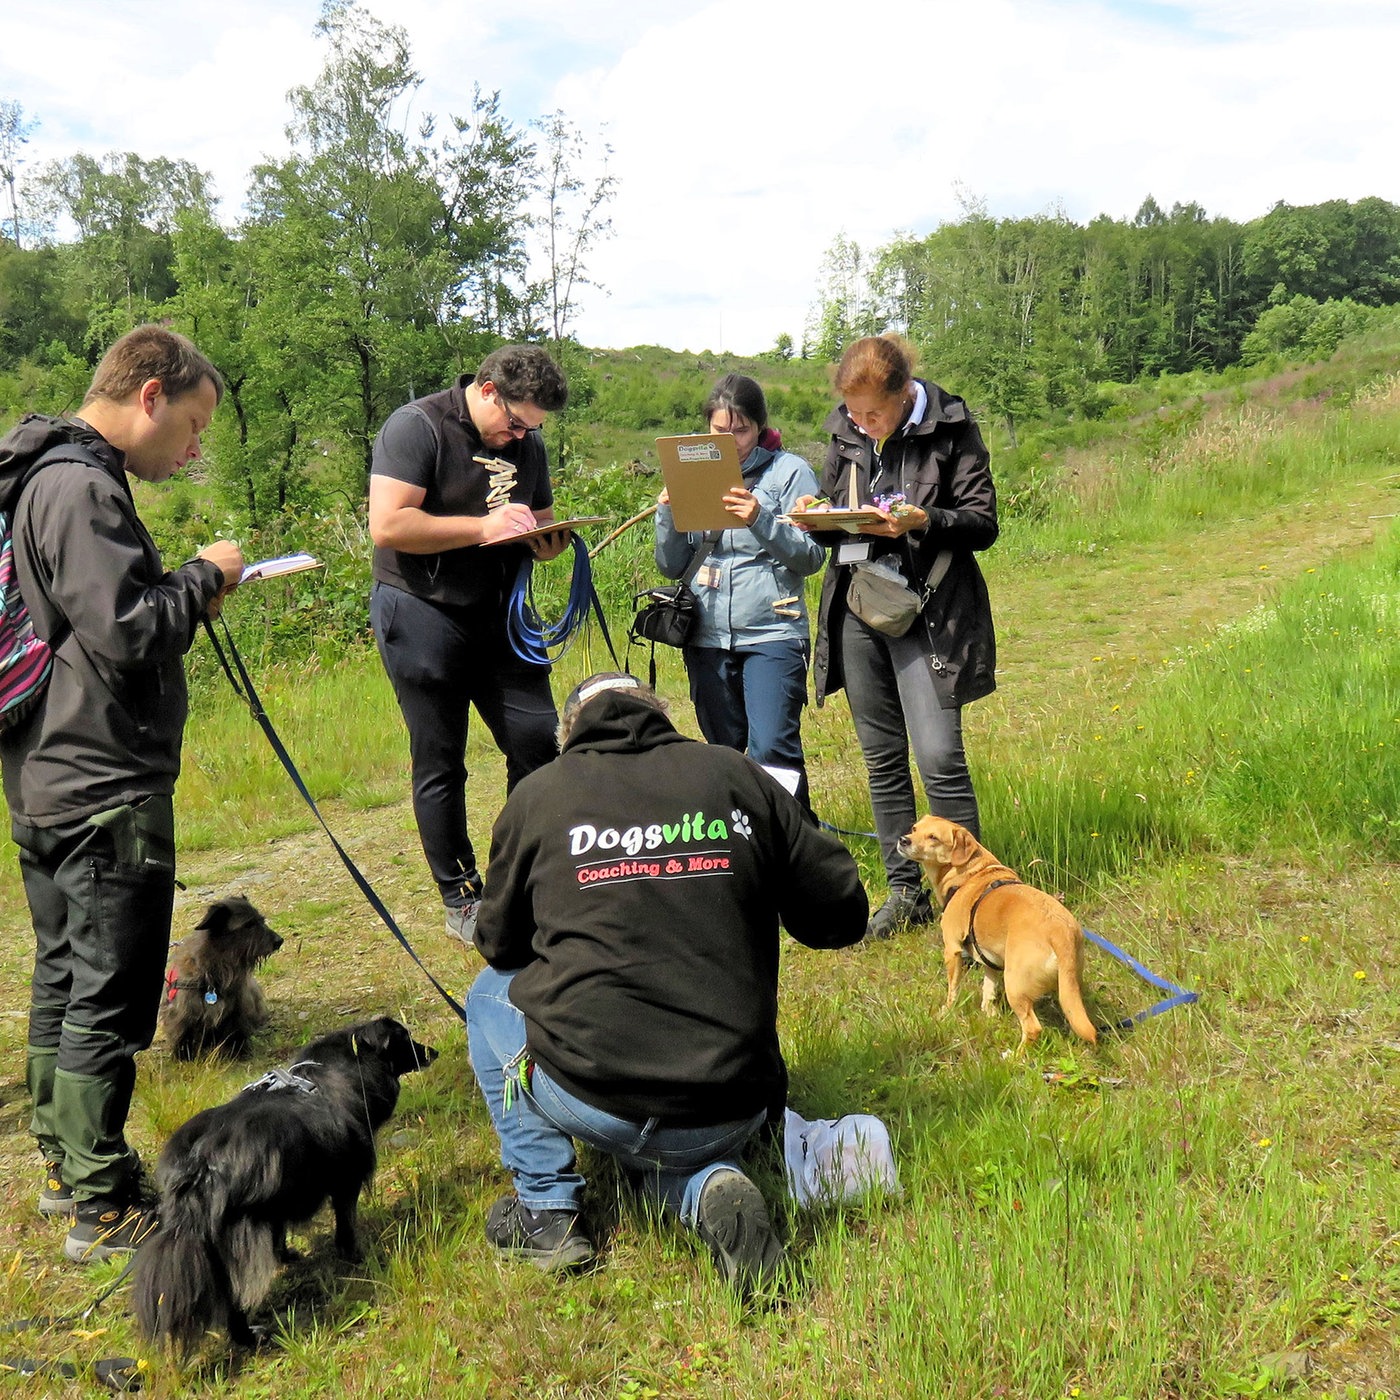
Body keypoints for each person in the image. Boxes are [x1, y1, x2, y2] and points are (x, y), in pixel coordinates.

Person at [465, 672, 867, 1291]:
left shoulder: (538, 796)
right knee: (676, 1158)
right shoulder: (734, 775)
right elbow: (841, 914)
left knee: (487, 993)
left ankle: (546, 1208)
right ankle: (706, 1185)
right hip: (734, 1103)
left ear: (567, 732)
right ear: (660, 713)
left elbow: (499, 946)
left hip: (596, 1096)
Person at [0, 325, 243, 1262]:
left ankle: (70, 1167)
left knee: (64, 975)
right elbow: (130, 630)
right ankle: (100, 1203)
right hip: (101, 782)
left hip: (49, 771)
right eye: (190, 424)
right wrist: (206, 576)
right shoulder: (80, 484)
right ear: (148, 393)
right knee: (107, 991)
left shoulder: (43, 477)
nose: (192, 449)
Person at [794, 335, 998, 940]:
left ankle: (974, 898)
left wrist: (925, 520)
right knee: (882, 758)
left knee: (938, 756)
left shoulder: (951, 427)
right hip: (859, 607)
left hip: (927, 610)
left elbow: (983, 522)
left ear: (904, 392)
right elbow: (839, 514)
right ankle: (905, 890)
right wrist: (817, 513)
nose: (862, 424)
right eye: (853, 414)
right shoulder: (847, 432)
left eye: (873, 414)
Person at [368, 345, 571, 946]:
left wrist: (548, 540)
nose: (519, 436)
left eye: (531, 428)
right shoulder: (417, 427)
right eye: (514, 422)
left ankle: (522, 877)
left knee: (538, 739)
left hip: (501, 614)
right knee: (441, 757)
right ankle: (460, 894)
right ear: (486, 391)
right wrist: (483, 529)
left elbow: (540, 514)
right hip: (422, 610)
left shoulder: (526, 443)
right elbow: (390, 524)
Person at [653, 374, 825, 806]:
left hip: (773, 632)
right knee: (724, 755)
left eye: (740, 430)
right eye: (718, 431)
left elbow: (811, 557)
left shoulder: (791, 472)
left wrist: (759, 519)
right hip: (707, 635)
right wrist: (666, 513)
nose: (729, 441)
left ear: (761, 426)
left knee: (772, 753)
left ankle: (797, 850)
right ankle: (743, 853)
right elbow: (672, 565)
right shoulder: (692, 467)